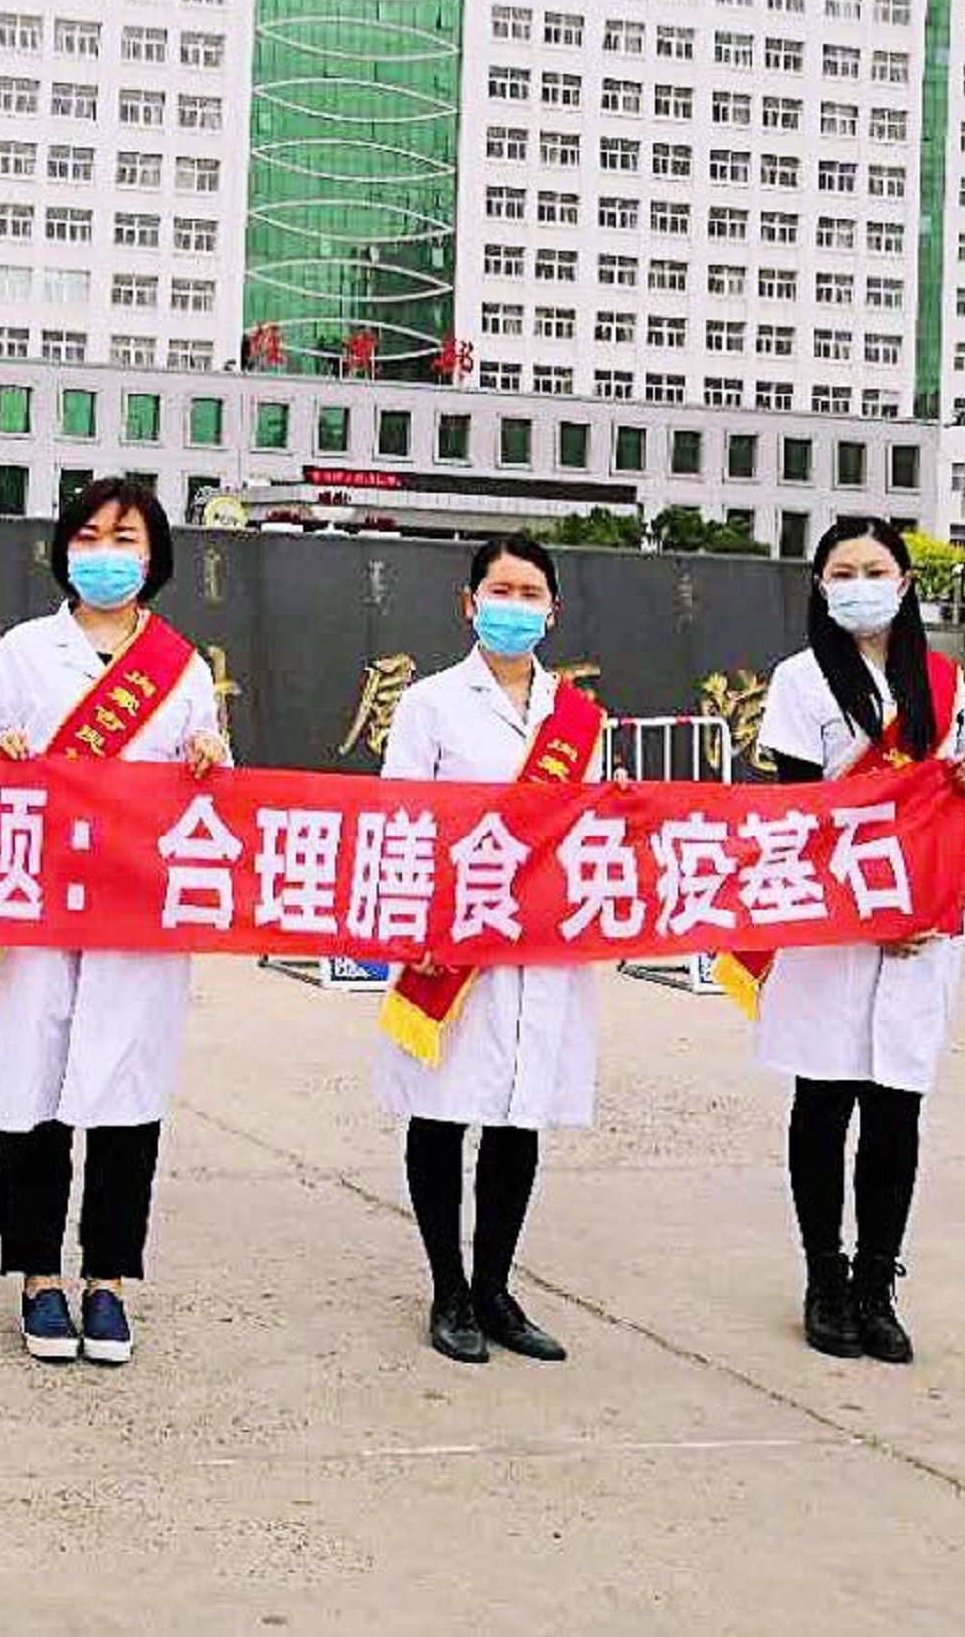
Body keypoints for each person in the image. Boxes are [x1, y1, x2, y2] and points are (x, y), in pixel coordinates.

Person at [0, 476, 231, 1369]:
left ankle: (108, 1279)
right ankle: (39, 1274)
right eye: (90, 535)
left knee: (127, 1091)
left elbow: (210, 773)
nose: (106, 553)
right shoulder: (25, 651)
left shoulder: (181, 667)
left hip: (135, 909)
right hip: (39, 898)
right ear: (65, 549)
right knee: (31, 1084)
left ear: (154, 557)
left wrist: (210, 754)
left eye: (126, 537)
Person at [745, 515, 965, 1366]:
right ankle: (825, 1276)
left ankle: (877, 1283)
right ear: (820, 586)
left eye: (874, 570)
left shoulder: (943, 682)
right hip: (835, 925)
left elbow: (959, 792)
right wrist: (867, 911)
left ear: (906, 582)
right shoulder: (800, 679)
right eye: (842, 572)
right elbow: (801, 814)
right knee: (824, 1101)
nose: (859, 585)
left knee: (896, 1107)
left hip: (921, 927)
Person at [371, 534, 605, 1368]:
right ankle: (449, 1288)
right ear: (469, 604)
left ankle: (496, 1286)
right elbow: (402, 818)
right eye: (499, 591)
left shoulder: (579, 720)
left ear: (554, 611)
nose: (514, 606)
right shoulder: (432, 702)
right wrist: (419, 922)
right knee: (440, 1110)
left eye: (530, 592)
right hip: (453, 936)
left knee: (518, 1112)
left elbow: (589, 827)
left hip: (541, 941)